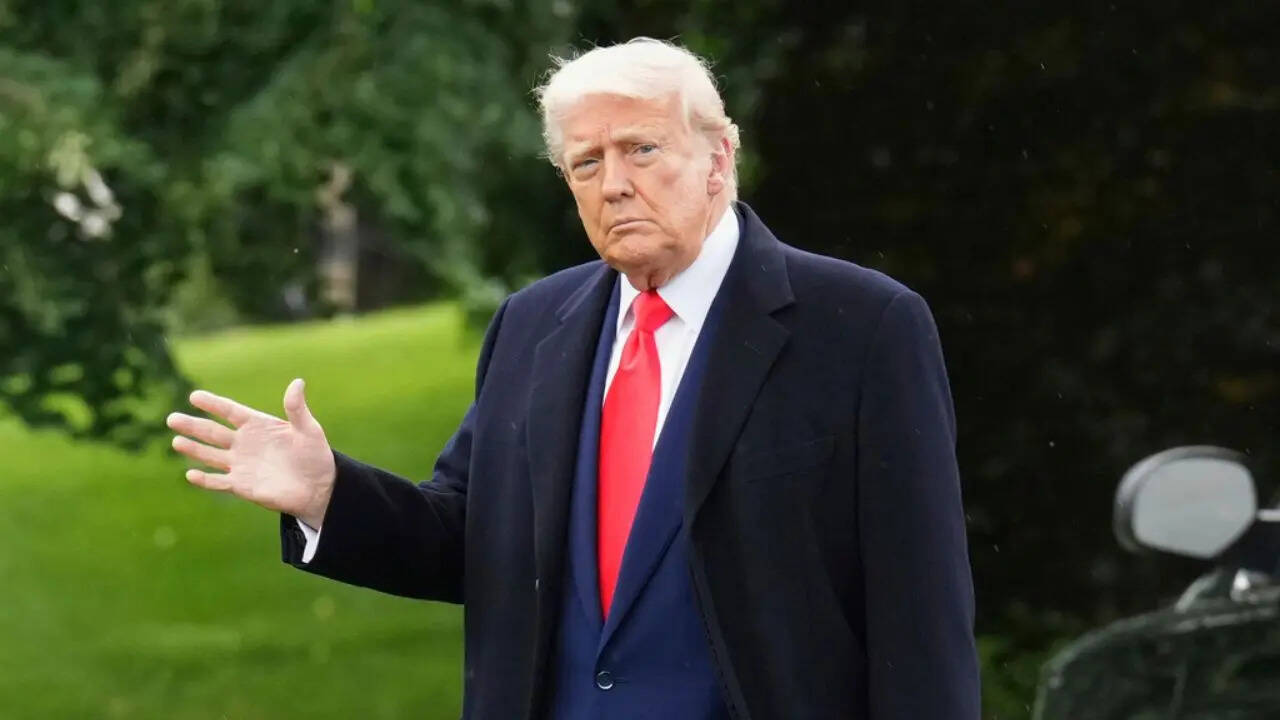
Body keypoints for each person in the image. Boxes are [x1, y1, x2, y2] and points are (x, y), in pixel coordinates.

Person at [166, 37, 980, 720]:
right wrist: (328, 495)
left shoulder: (862, 326)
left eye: (641, 149)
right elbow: (471, 542)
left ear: (718, 158)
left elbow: (920, 615)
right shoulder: (533, 327)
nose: (614, 183)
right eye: (586, 162)